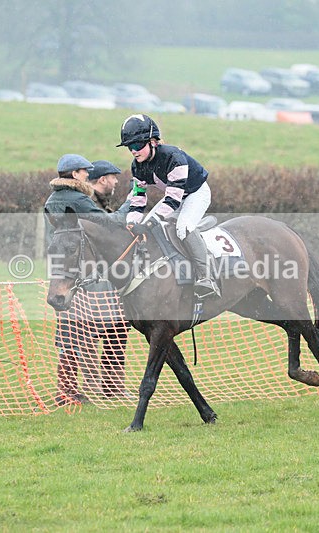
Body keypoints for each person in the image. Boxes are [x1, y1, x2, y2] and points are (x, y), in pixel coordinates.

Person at [44, 154, 130, 406]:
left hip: (69, 274)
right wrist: (131, 206)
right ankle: (103, 387)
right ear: (74, 174)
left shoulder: (53, 200)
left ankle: (70, 389)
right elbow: (109, 223)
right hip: (83, 277)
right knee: (109, 330)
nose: (87, 175)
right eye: (84, 171)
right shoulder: (78, 199)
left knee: (75, 333)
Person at [117, 114, 220, 298]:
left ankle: (206, 277)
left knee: (183, 227)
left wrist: (148, 224)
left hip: (196, 193)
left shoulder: (173, 157)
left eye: (137, 145)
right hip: (176, 196)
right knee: (146, 227)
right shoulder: (137, 167)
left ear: (153, 142)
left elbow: (172, 200)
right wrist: (132, 222)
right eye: (130, 147)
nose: (133, 151)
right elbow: (138, 198)